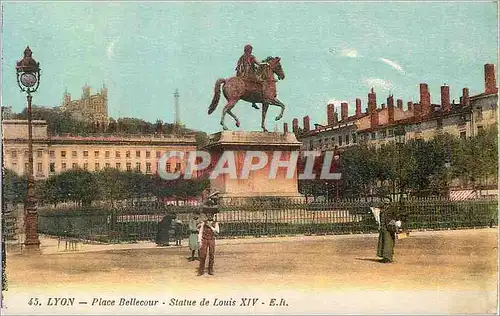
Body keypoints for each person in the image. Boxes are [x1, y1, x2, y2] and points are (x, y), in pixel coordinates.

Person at [235, 44, 261, 110]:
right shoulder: (251, 57)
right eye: (251, 50)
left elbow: (239, 66)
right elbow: (258, 63)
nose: (251, 51)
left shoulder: (242, 57)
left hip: (241, 76)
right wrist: (266, 64)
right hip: (250, 75)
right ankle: (260, 98)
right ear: (249, 50)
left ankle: (253, 101)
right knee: (261, 82)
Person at [197, 207, 220, 276]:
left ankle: (210, 270)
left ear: (213, 216)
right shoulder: (203, 223)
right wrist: (199, 241)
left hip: (211, 240)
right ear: (206, 216)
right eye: (208, 215)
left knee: (211, 254)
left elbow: (217, 232)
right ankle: (201, 271)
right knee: (203, 255)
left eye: (211, 215)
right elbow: (200, 232)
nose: (209, 216)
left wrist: (210, 226)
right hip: (204, 239)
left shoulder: (215, 223)